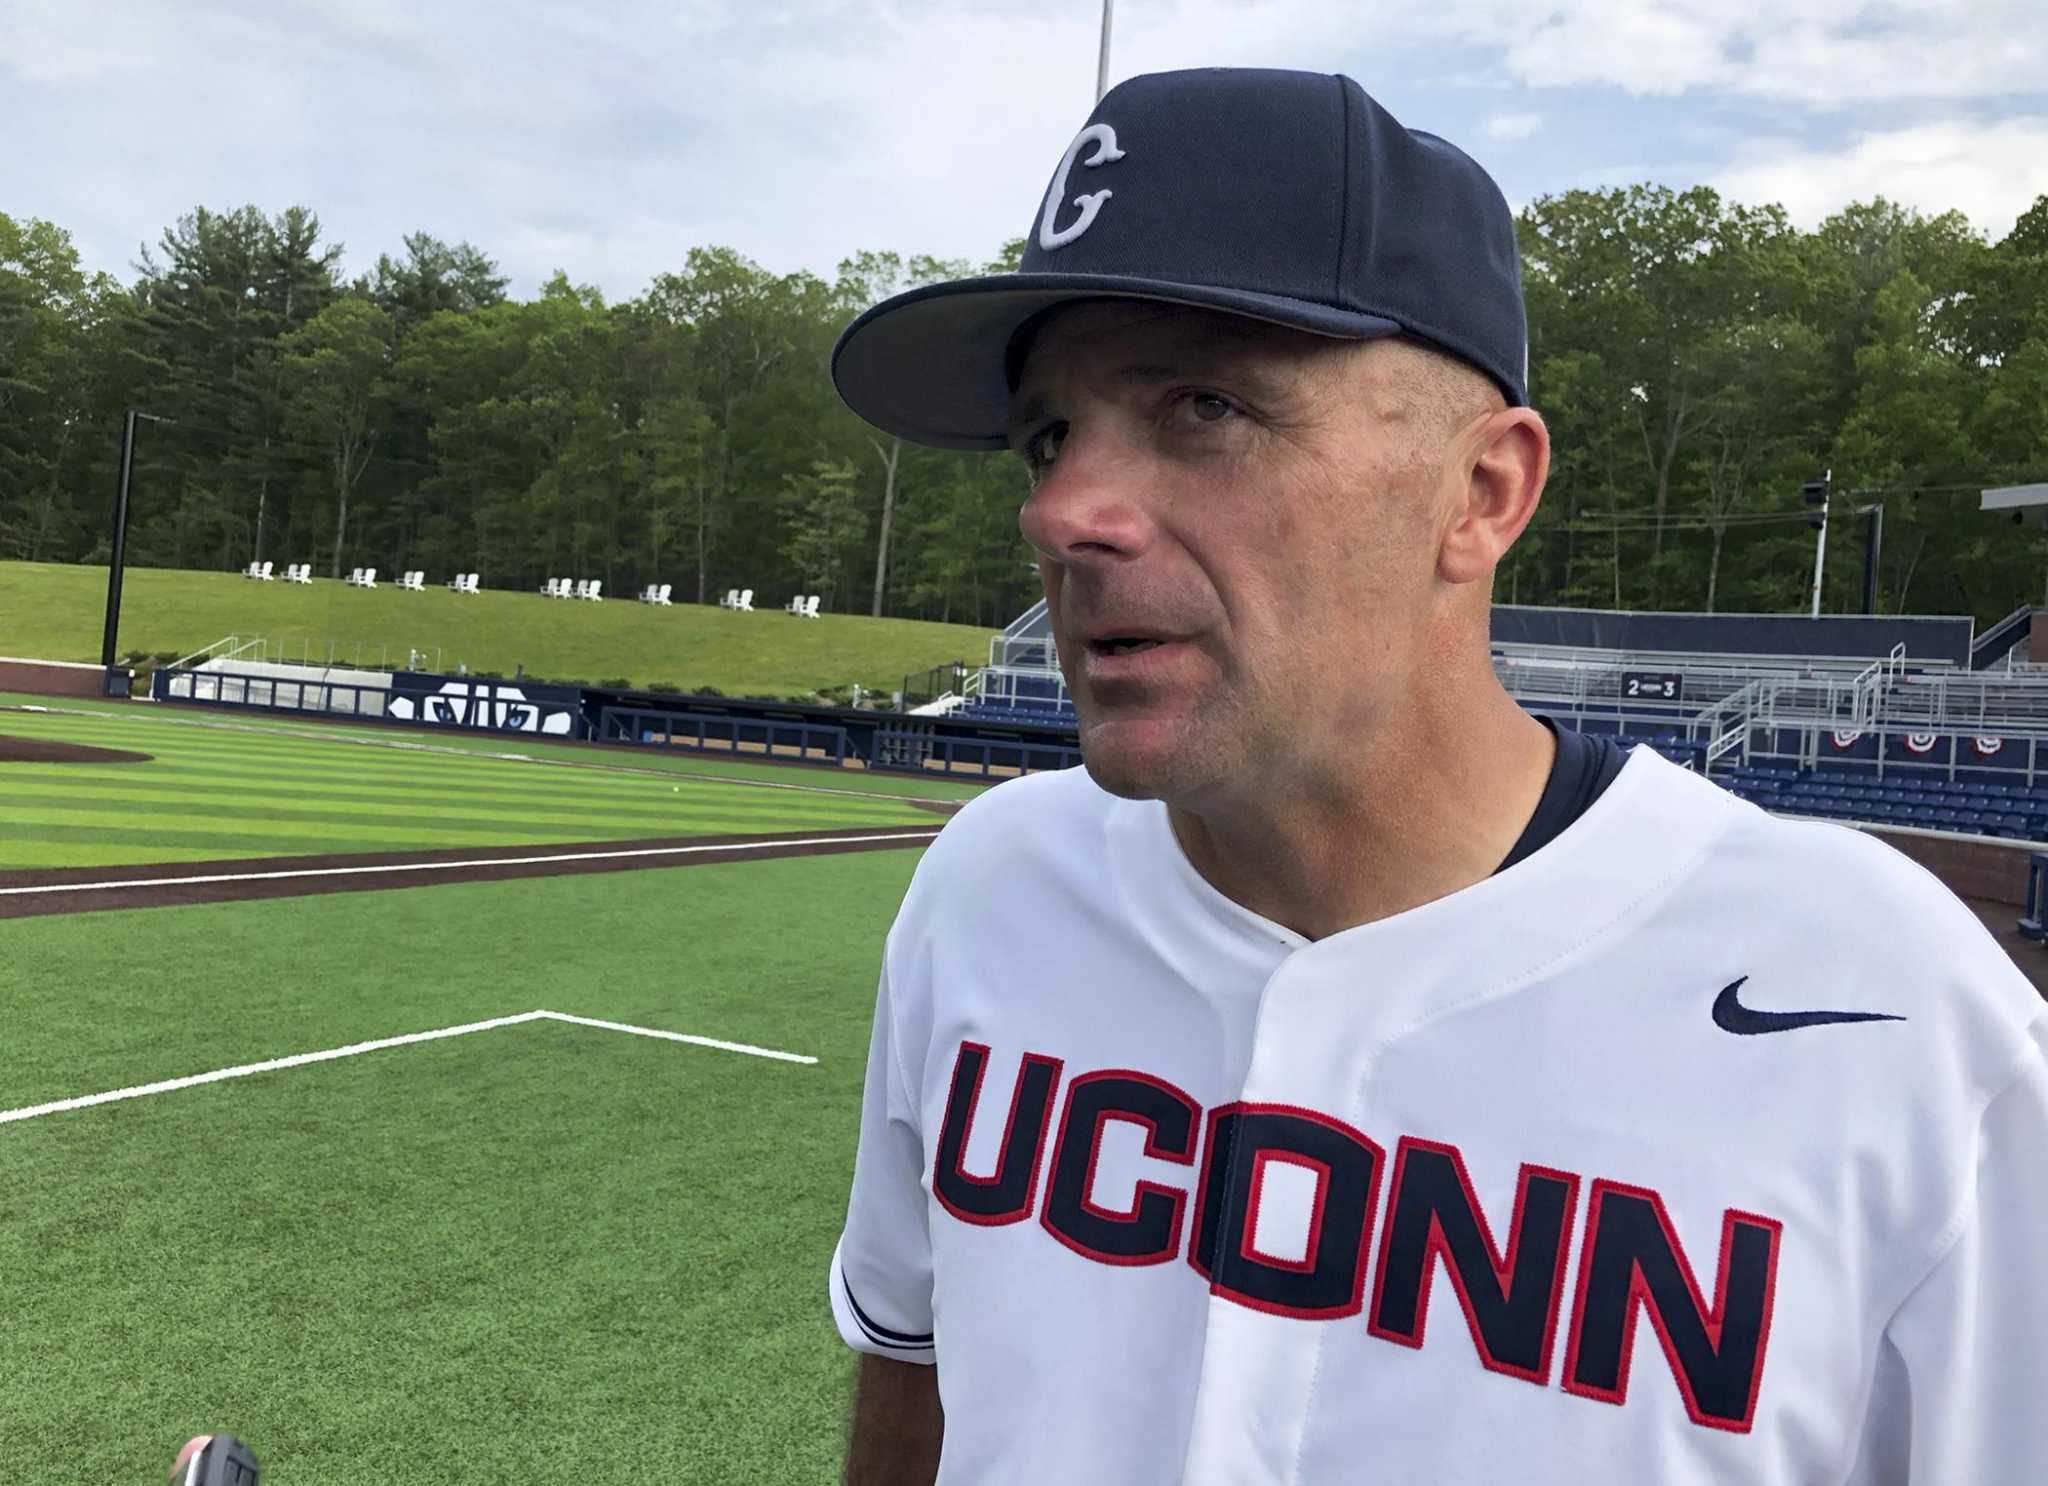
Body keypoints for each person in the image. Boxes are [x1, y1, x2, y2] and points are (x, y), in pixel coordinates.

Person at [824, 67, 2048, 1484]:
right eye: (1050, 435)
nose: (1060, 509)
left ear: (1483, 494)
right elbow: (914, 1375)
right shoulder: (988, 887)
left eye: (1205, 406)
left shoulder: (1893, 1012)